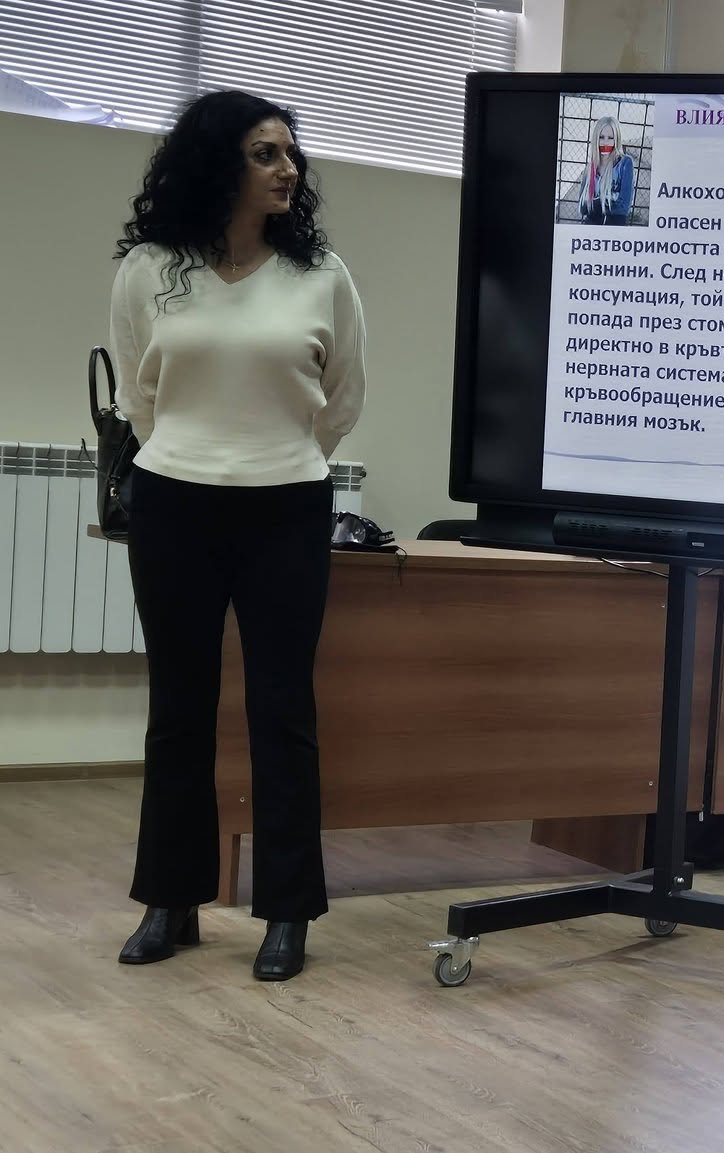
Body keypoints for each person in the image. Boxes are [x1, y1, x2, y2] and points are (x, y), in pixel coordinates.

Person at [108, 89, 367, 982]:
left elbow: (343, 397)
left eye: (291, 153)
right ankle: (170, 900)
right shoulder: (149, 267)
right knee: (178, 709)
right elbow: (139, 396)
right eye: (266, 153)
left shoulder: (321, 273)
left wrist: (280, 456)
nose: (289, 168)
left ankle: (287, 911)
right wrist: (190, 454)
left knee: (282, 709)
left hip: (285, 505)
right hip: (172, 500)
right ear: (218, 163)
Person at [578, 115, 637, 225]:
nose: (605, 142)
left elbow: (624, 207)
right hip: (591, 227)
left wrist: (596, 205)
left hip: (614, 229)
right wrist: (606, 203)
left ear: (616, 139)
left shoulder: (625, 163)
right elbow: (582, 207)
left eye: (610, 138)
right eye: (601, 137)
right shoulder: (590, 168)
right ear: (596, 139)